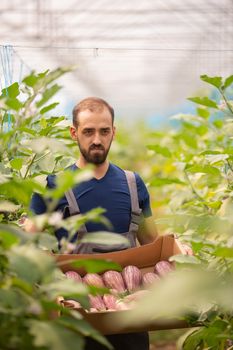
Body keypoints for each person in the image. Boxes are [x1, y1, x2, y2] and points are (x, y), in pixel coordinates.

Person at [26, 97, 190, 350]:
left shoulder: (133, 183)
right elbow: (30, 241)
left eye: (104, 131)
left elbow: (151, 244)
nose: (97, 140)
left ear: (113, 131)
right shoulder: (52, 185)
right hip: (78, 313)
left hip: (130, 314)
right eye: (88, 131)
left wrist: (180, 249)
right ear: (73, 133)